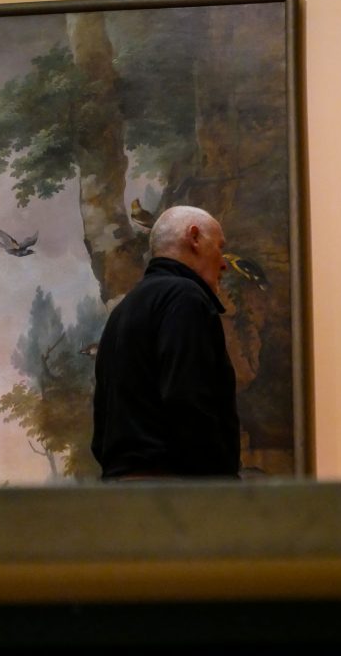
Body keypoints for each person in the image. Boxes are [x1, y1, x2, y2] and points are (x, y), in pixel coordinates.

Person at [91, 205, 240, 480]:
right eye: (219, 248)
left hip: (121, 493)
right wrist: (221, 485)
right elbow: (189, 401)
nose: (223, 263)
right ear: (194, 237)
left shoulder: (124, 310)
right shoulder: (185, 298)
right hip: (176, 491)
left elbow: (103, 424)